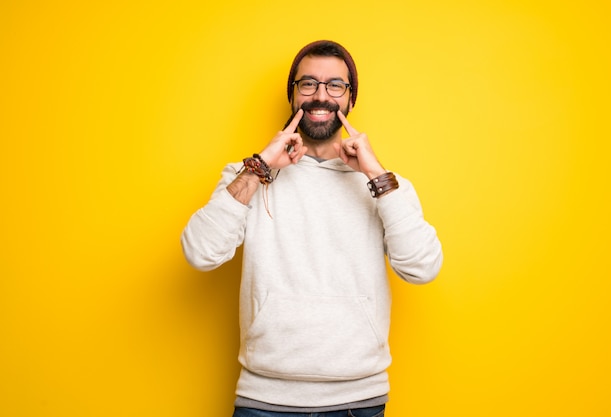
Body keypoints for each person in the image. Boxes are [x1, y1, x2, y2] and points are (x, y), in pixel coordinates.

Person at [181, 40, 443, 417]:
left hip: (359, 401)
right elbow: (199, 253)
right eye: (308, 84)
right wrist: (259, 168)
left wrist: (376, 174)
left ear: (350, 99)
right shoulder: (248, 176)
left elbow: (422, 268)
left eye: (335, 85)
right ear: (293, 94)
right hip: (264, 401)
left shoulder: (387, 185)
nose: (321, 95)